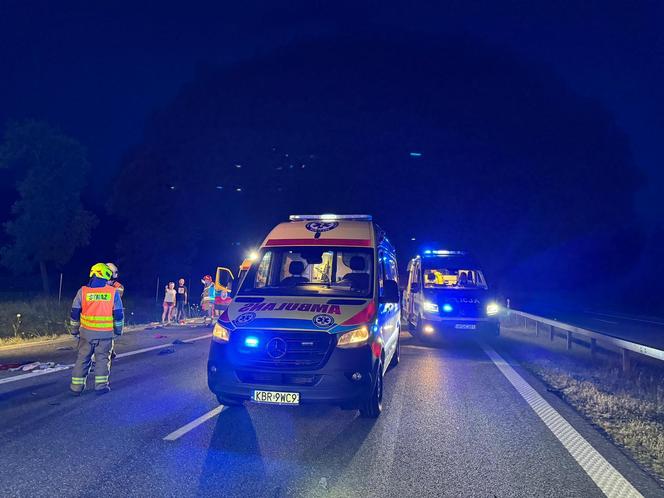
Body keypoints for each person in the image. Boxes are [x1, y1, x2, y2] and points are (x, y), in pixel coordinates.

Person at [69, 263, 124, 395]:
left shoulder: (82, 291)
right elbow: (118, 314)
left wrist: (74, 330)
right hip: (105, 335)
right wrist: (118, 330)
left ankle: (76, 387)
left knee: (82, 359)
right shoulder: (112, 292)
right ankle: (101, 386)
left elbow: (74, 312)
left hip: (86, 334)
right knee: (103, 359)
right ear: (106, 275)